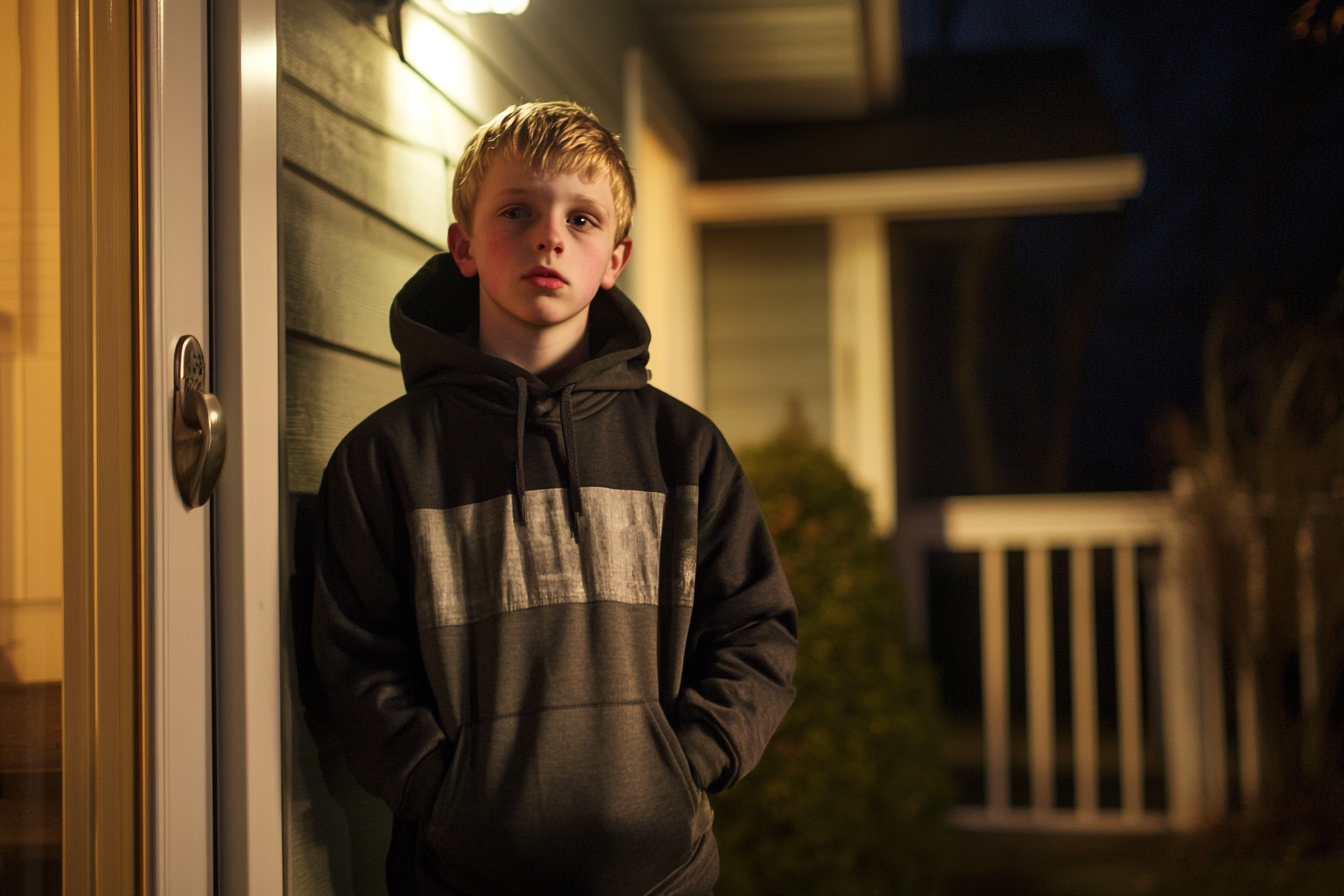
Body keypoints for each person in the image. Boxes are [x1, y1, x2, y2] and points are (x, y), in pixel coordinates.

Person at [311, 101, 797, 896]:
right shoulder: (386, 459)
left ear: (615, 258)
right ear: (463, 247)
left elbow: (758, 631)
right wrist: (441, 787)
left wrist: (683, 765)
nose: (549, 237)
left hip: (663, 877)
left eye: (582, 218)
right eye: (517, 212)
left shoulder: (685, 452)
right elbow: (356, 658)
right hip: (458, 878)